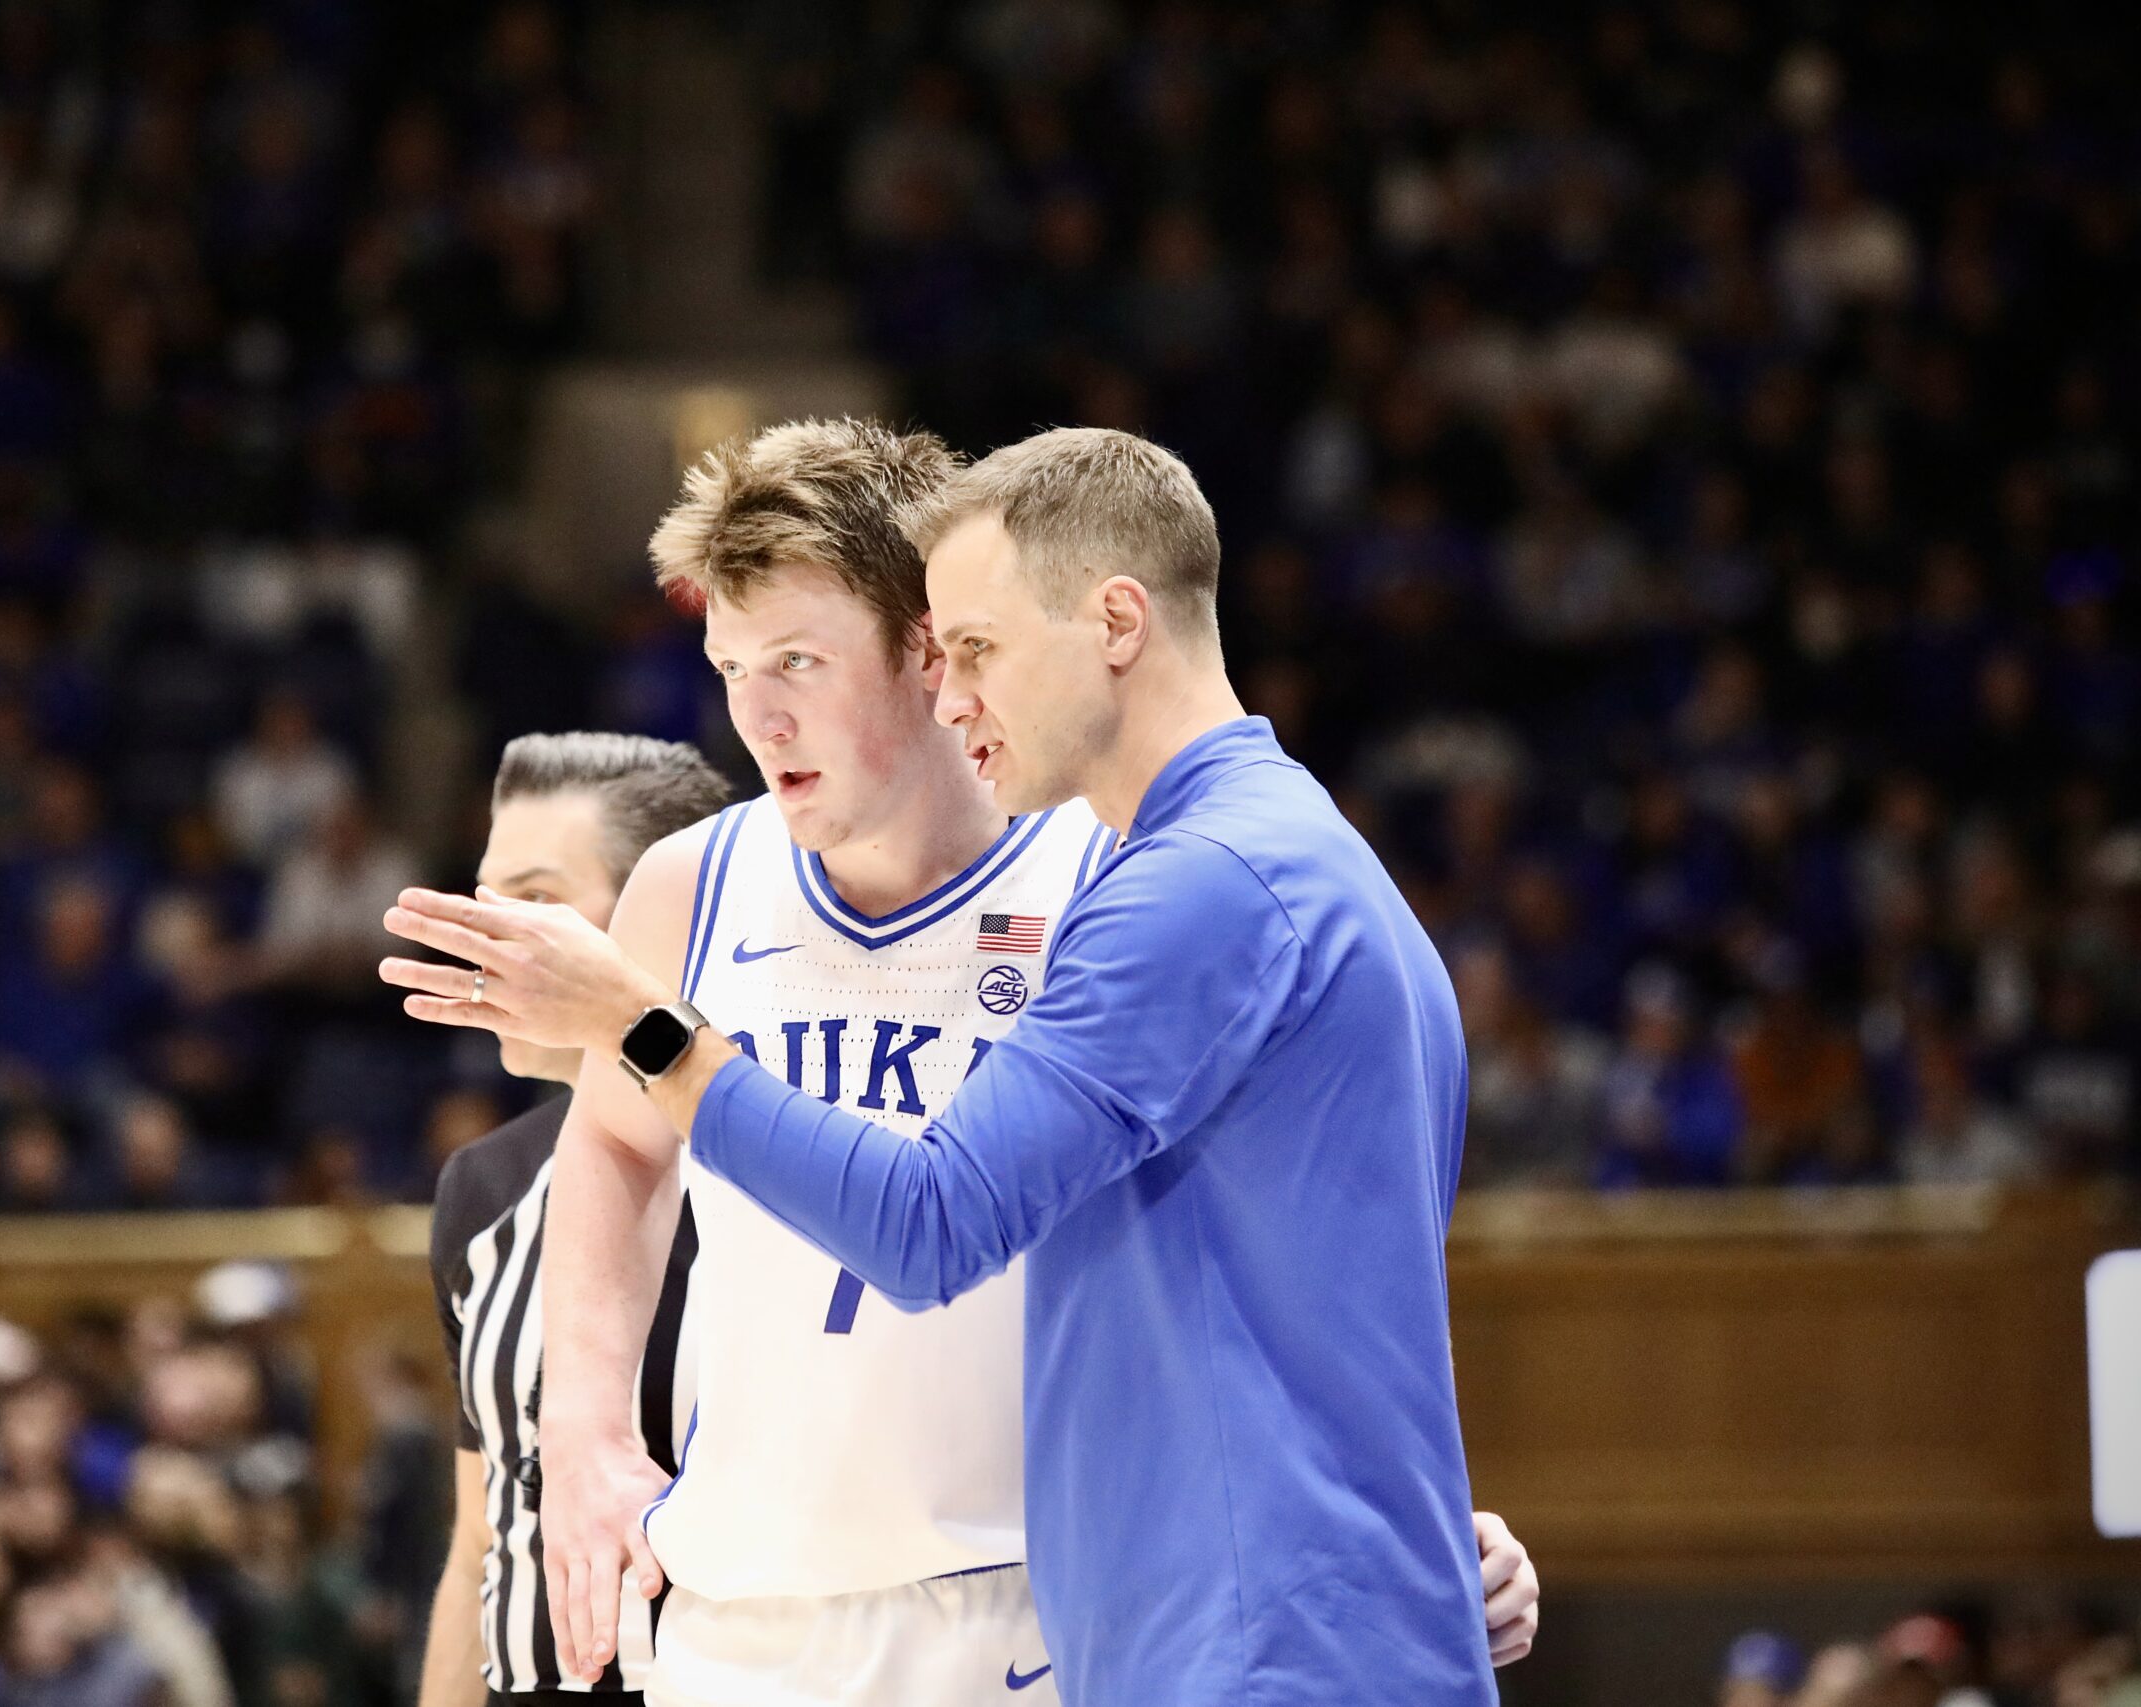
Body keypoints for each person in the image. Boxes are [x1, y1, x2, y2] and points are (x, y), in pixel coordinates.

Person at [383, 422, 1537, 1706]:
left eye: (800, 662)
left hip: (1038, 1603)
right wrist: (587, 1424)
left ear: (924, 649)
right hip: (748, 1606)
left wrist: (1405, 1527)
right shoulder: (693, 880)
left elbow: (1005, 1223)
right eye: (728, 667)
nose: (756, 715)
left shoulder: (1128, 871)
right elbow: (607, 1139)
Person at [423, 733, 729, 1707]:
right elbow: (480, 1541)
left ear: (662, 918)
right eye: (486, 897)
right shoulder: (481, 1189)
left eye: (541, 900)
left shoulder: (757, 1158)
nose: (495, 936)